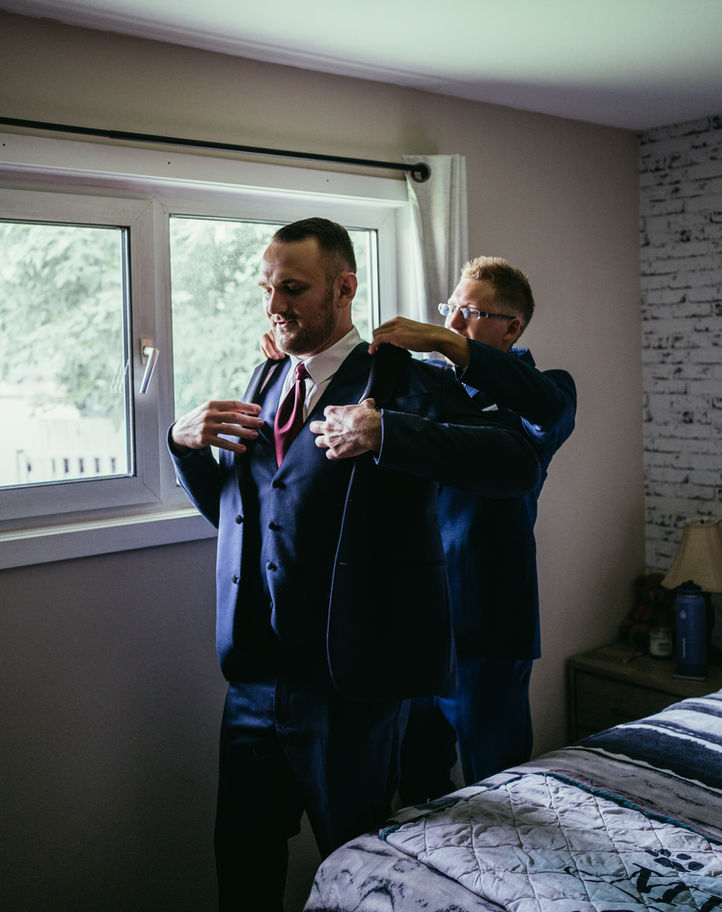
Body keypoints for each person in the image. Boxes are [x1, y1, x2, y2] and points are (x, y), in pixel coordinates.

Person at [168, 219, 540, 910]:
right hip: (253, 678)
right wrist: (183, 445)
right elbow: (246, 521)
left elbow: (517, 462)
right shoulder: (267, 376)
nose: (274, 305)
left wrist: (390, 431)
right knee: (242, 861)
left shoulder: (400, 378)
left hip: (351, 687)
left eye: (292, 288)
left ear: (344, 289)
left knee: (361, 873)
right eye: (267, 288)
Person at [369, 256, 576, 802]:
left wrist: (445, 341)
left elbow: (548, 410)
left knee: (499, 785)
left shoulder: (546, 391)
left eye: (471, 313)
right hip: (417, 622)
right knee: (413, 788)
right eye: (451, 308)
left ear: (512, 327)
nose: (454, 323)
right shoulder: (424, 385)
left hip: (489, 622)